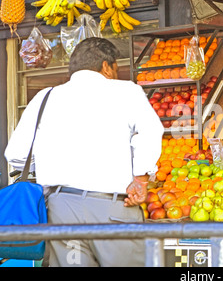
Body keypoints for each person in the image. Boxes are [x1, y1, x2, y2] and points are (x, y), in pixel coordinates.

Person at [4, 37, 164, 266]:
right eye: (116, 69)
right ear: (106, 66)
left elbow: (16, 154)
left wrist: (55, 163)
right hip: (114, 209)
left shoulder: (45, 97)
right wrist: (140, 179)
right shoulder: (127, 91)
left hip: (62, 212)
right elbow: (150, 132)